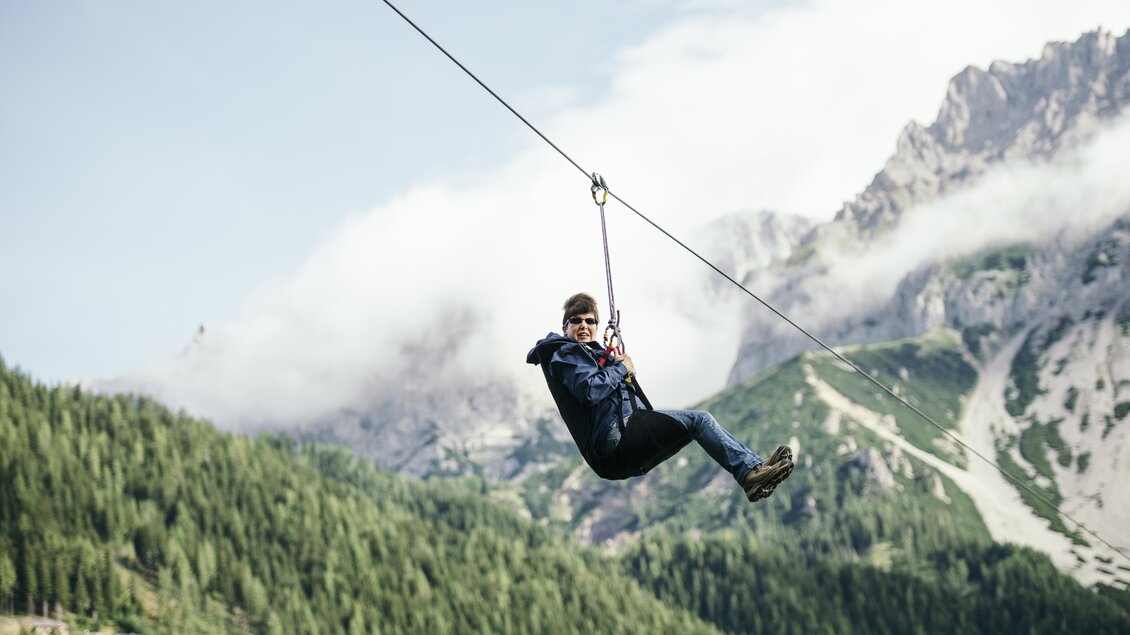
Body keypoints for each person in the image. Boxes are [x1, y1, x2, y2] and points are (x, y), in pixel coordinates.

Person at [526, 292, 794, 502]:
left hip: (615, 450)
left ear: (596, 326)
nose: (583, 326)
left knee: (695, 426)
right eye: (576, 321)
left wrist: (616, 367)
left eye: (589, 321)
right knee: (699, 421)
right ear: (565, 328)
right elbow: (589, 391)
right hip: (614, 440)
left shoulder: (587, 357)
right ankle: (749, 473)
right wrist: (621, 368)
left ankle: (753, 468)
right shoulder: (565, 353)